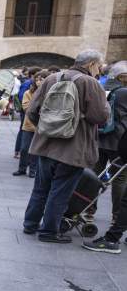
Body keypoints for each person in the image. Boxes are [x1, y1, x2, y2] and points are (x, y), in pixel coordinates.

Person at [23, 49, 109, 244]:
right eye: (99, 66)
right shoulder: (90, 83)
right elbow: (100, 117)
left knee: (40, 188)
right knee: (60, 191)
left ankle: (30, 224)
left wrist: (47, 129)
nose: (99, 71)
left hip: (45, 146)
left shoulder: (51, 78)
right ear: (91, 64)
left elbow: (32, 111)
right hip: (73, 150)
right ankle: (49, 231)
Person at [82, 61, 127, 253]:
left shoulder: (101, 86)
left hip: (100, 139)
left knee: (95, 175)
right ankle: (117, 216)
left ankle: (88, 210)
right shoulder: (124, 92)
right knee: (120, 180)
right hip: (120, 142)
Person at [12, 70, 50, 178]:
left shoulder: (49, 93)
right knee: (24, 148)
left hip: (41, 127)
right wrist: (39, 109)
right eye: (37, 79)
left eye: (41, 79)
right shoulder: (28, 93)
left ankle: (33, 170)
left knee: (36, 150)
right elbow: (26, 107)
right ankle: (22, 169)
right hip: (28, 125)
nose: (38, 82)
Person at [15, 66, 41, 158]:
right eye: (37, 77)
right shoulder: (27, 84)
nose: (39, 81)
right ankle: (18, 151)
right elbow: (22, 97)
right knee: (23, 132)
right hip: (26, 114)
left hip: (33, 116)